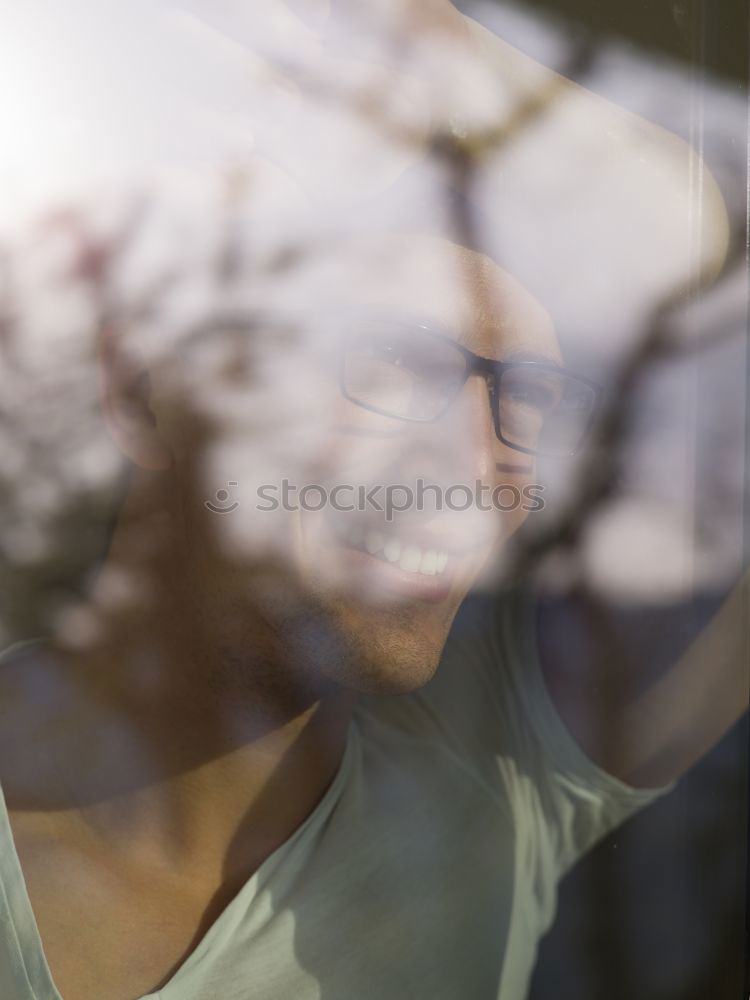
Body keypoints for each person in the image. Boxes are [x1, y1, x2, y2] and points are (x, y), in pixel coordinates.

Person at [0, 3, 744, 1000]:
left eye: (525, 402)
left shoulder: (500, 775)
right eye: (398, 362)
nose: (485, 465)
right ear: (145, 386)